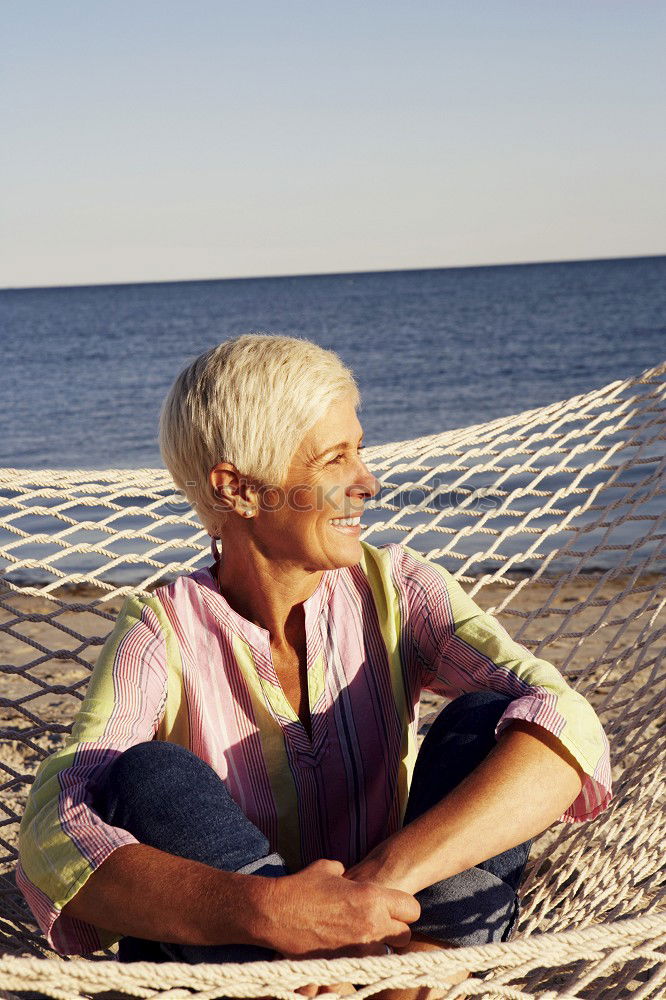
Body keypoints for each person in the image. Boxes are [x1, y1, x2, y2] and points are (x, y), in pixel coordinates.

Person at [18, 334, 611, 998]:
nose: (368, 482)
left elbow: (566, 720)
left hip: (398, 938)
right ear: (237, 488)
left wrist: (376, 884)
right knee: (146, 776)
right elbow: (49, 836)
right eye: (336, 459)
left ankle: (403, 986)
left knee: (493, 720)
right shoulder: (162, 633)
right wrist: (270, 911)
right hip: (241, 970)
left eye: (360, 449)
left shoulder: (401, 592)